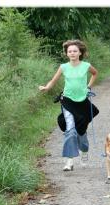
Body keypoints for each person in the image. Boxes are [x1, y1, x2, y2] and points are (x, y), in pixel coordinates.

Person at [39, 39, 98, 171]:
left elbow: (95, 74)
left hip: (82, 102)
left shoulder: (86, 65)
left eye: (74, 51)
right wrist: (47, 88)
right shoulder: (63, 67)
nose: (72, 53)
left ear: (80, 52)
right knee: (70, 130)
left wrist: (88, 87)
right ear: (67, 53)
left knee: (81, 133)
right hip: (67, 101)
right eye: (69, 51)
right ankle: (69, 161)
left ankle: (84, 152)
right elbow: (53, 81)